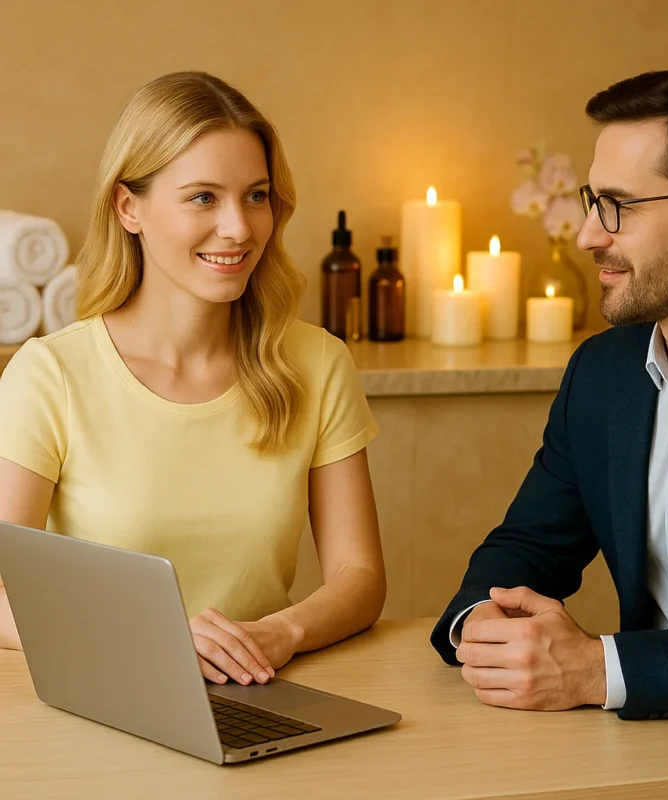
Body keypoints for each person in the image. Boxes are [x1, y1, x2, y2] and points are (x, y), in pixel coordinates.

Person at [431, 67, 668, 735]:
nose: (588, 236)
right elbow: (524, 548)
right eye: (591, 201)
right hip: (643, 757)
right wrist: (481, 625)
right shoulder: (602, 373)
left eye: (618, 207)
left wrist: (598, 669)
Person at [0, 72, 386, 688]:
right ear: (129, 208)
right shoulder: (51, 375)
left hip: (260, 693)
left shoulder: (317, 364)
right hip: (105, 693)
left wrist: (278, 634)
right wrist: (150, 639)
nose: (238, 227)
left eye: (255, 196)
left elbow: (359, 579)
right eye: (203, 197)